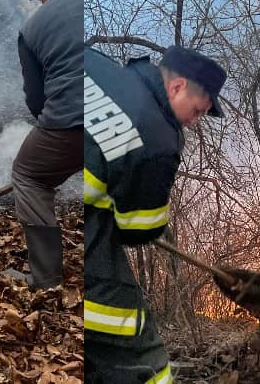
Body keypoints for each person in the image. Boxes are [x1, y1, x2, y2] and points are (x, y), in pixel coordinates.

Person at [84, 44, 226, 384]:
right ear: (176, 87)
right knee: (143, 356)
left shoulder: (98, 65)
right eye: (196, 111)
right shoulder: (159, 139)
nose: (193, 123)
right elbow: (138, 231)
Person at [11, 0, 85, 289]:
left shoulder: (31, 29)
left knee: (28, 176)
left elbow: (36, 101)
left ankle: (45, 280)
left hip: (70, 119)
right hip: (125, 119)